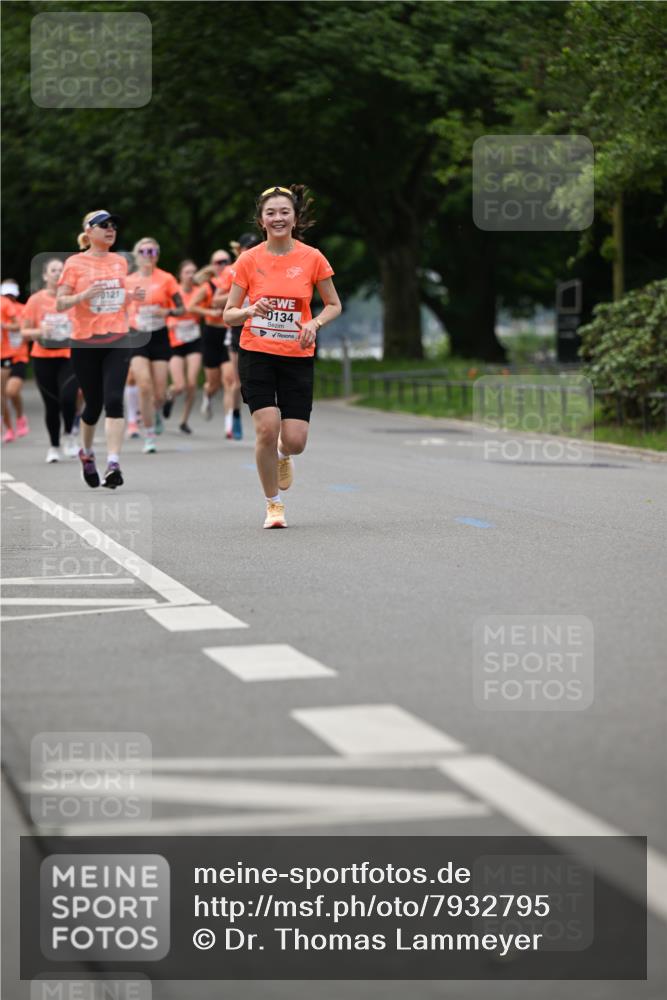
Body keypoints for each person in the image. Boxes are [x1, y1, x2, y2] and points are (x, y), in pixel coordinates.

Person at [223, 185, 341, 528]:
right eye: (271, 212)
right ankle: (273, 504)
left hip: (297, 354)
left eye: (284, 212)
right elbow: (228, 314)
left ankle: (283, 453)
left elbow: (334, 304)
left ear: (295, 217)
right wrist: (248, 310)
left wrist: (315, 323)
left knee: (295, 440)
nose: (278, 218)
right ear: (261, 220)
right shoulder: (248, 260)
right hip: (256, 352)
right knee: (266, 427)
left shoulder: (312, 257)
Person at [56, 208, 144, 488]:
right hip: (85, 341)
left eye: (113, 226)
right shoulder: (74, 263)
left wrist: (131, 297)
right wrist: (84, 295)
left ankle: (114, 463)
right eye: (103, 225)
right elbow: (60, 303)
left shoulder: (120, 261)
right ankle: (87, 452)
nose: (110, 229)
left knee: (114, 399)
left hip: (117, 338)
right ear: (89, 231)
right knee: (93, 404)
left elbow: (116, 296)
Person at [126, 238, 184, 454]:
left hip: (159, 336)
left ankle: (156, 410)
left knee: (159, 392)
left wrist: (166, 312)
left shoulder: (166, 279)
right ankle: (149, 435)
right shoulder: (129, 281)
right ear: (137, 254)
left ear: (157, 255)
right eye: (144, 251)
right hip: (137, 335)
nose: (148, 255)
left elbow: (181, 308)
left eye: (153, 251)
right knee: (144, 384)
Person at [21, 258, 79, 462]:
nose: (57, 273)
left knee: (68, 398)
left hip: (68, 356)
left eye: (61, 270)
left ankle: (70, 435)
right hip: (43, 357)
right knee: (52, 405)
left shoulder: (73, 299)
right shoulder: (36, 301)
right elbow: (24, 332)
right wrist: (40, 330)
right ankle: (54, 446)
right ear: (46, 276)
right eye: (53, 270)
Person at [191, 250, 234, 425]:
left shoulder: (235, 282)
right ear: (212, 265)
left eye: (225, 261)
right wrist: (210, 311)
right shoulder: (207, 286)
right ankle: (207, 396)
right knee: (213, 383)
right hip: (211, 333)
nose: (222, 265)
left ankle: (229, 422)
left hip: (228, 332)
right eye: (218, 262)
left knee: (229, 379)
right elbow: (191, 306)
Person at [226, 232, 262, 440]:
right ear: (239, 250)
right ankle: (236, 416)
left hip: (259, 325)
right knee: (238, 380)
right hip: (238, 325)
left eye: (254, 246)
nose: (250, 251)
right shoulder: (233, 271)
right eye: (247, 247)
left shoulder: (265, 268)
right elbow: (218, 297)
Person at [165, 260, 203, 434]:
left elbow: (206, 309)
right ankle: (169, 395)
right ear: (180, 275)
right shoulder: (174, 292)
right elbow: (164, 312)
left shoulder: (199, 292)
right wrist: (171, 321)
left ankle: (184, 421)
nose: (191, 275)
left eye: (194, 272)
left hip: (194, 340)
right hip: (176, 341)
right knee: (179, 385)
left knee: (192, 383)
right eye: (187, 272)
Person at [1, 280, 29, 442]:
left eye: (10, 295)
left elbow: (25, 329)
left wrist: (7, 326)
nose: (8, 298)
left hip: (19, 355)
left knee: (11, 391)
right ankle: (9, 428)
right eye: (5, 295)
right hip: (4, 355)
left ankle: (20, 417)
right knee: (1, 394)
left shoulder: (22, 310)